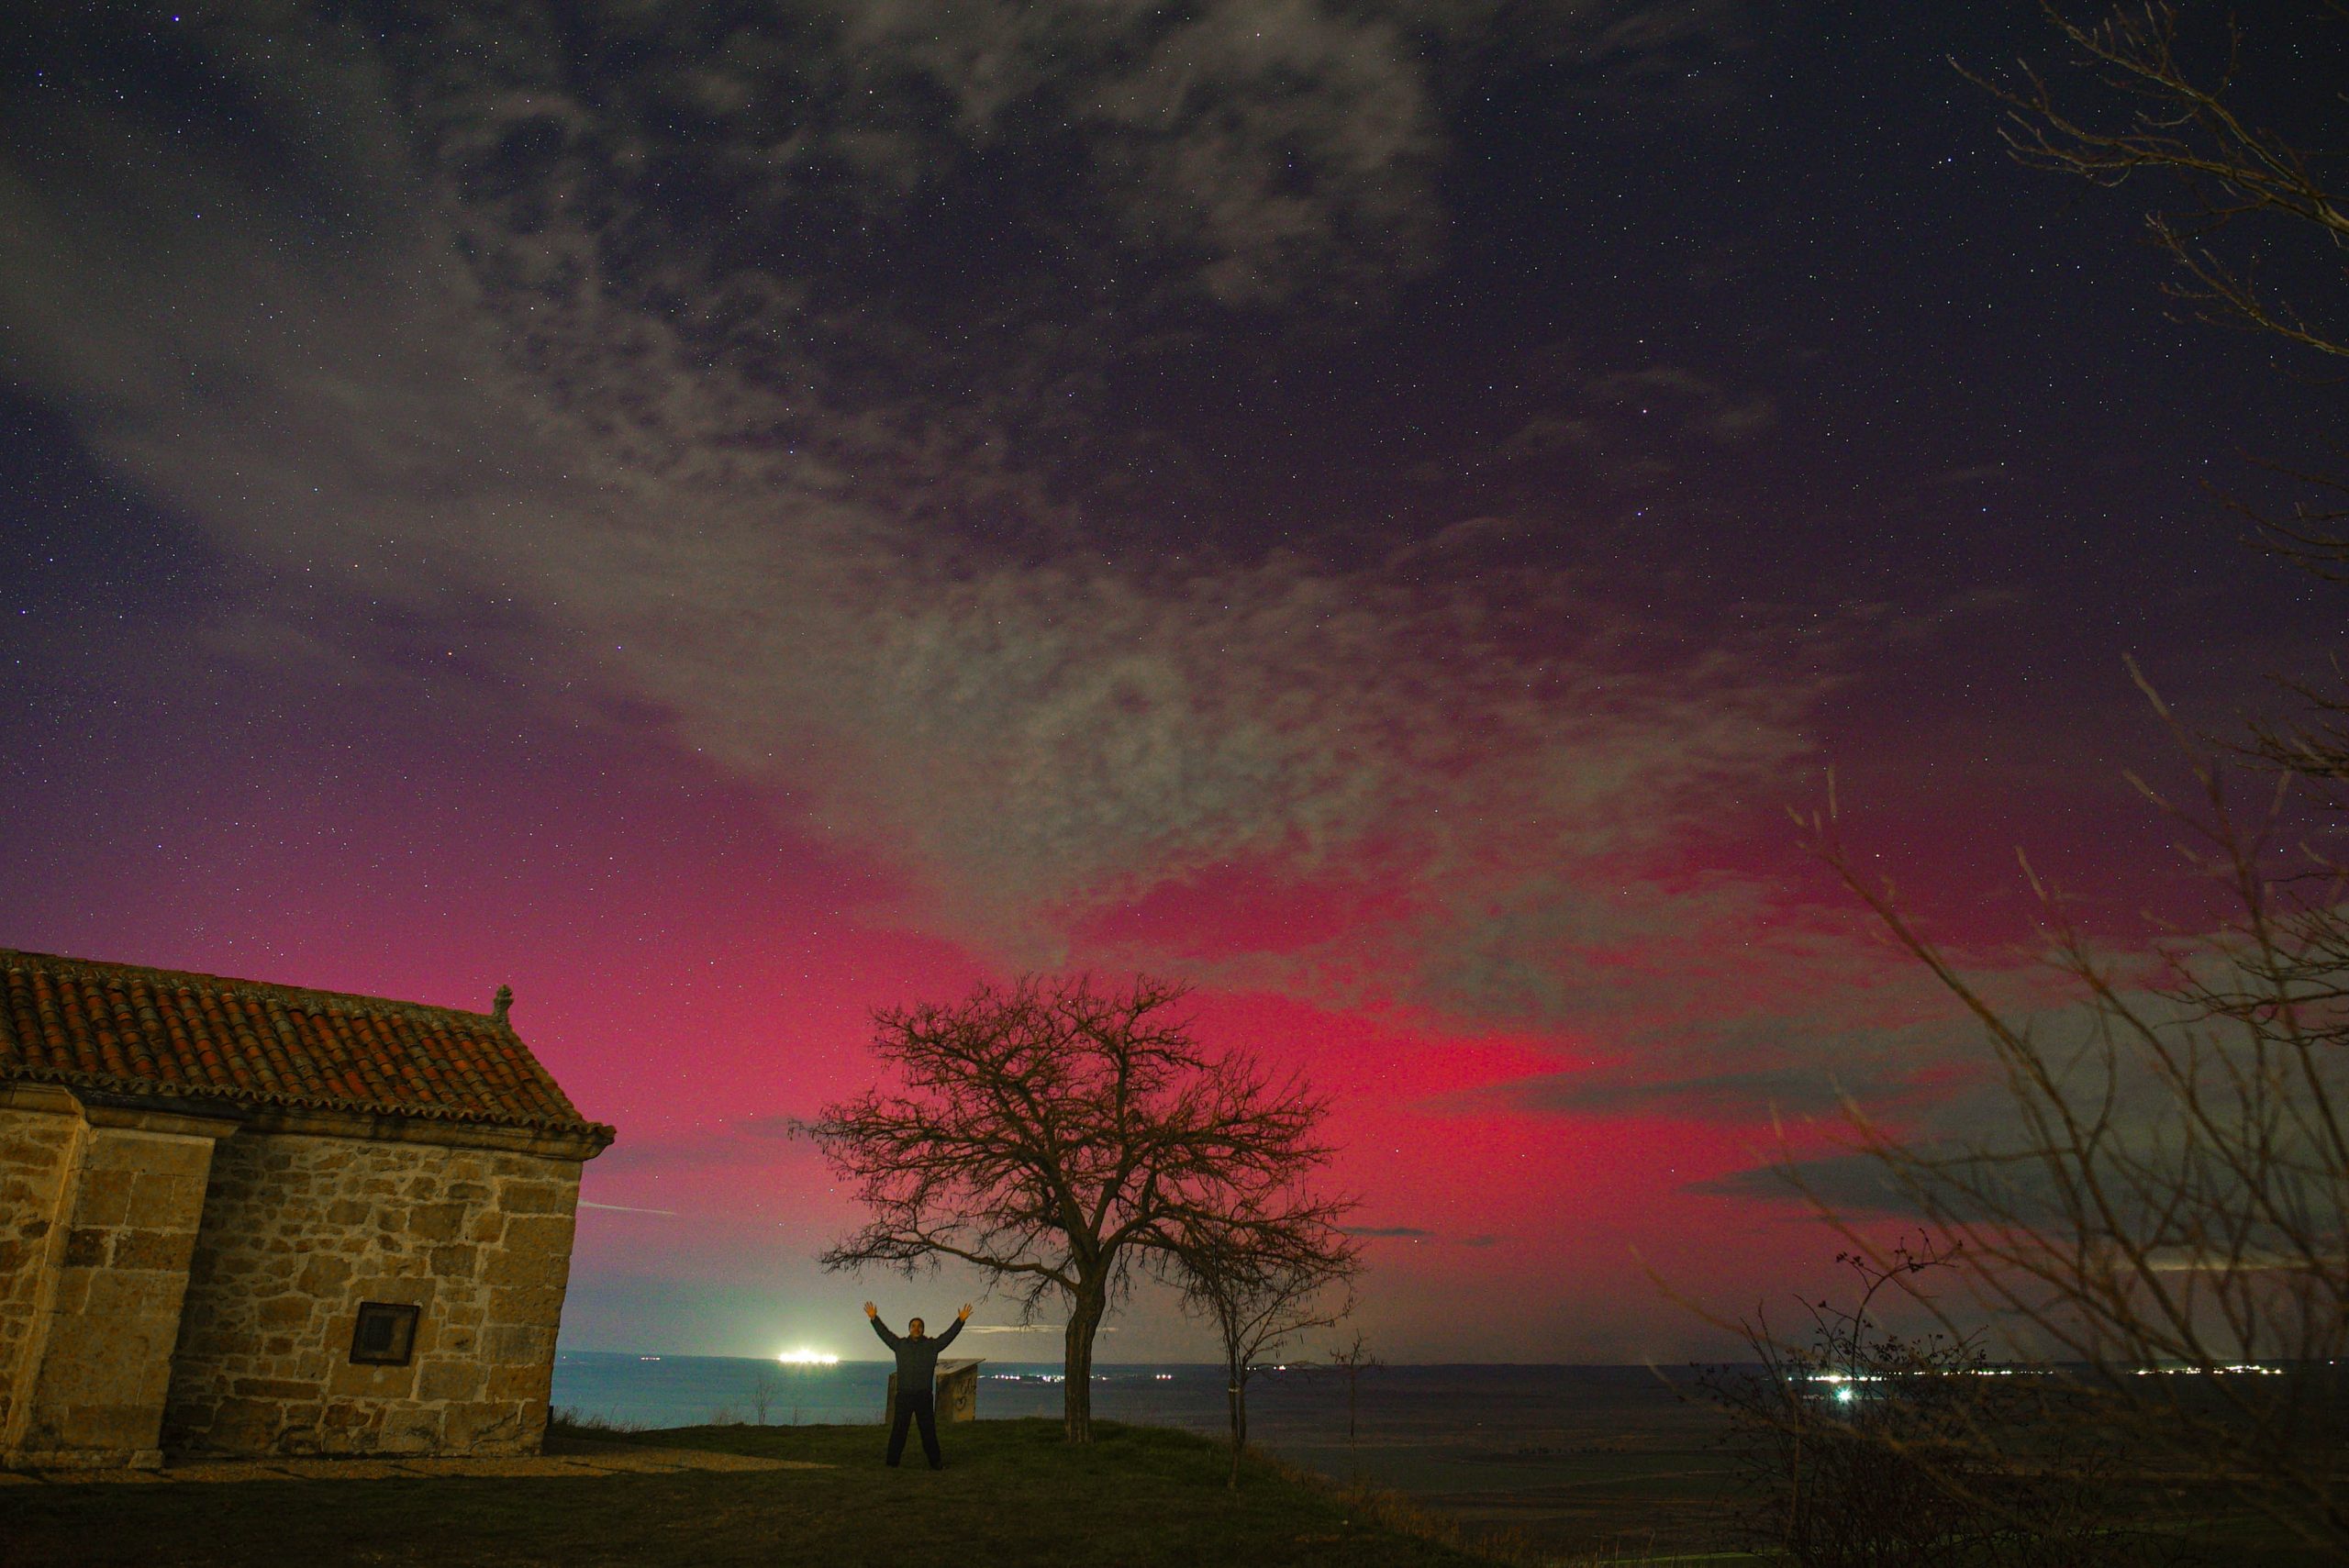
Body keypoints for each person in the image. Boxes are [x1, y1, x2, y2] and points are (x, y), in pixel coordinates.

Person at [865, 1298, 972, 1469]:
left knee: (928, 1432)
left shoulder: (931, 1346)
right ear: (909, 1329)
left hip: (923, 1396)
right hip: (904, 1396)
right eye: (913, 1326)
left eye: (919, 1326)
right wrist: (874, 1319)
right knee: (899, 1431)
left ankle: (935, 1463)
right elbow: (885, 1334)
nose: (916, 1328)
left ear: (923, 1330)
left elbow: (948, 1337)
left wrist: (960, 1321)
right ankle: (892, 1464)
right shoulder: (900, 1345)